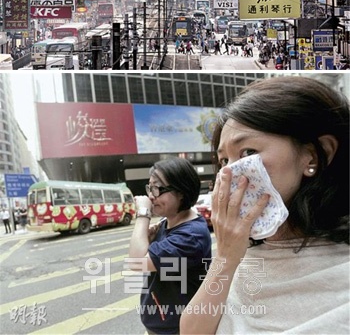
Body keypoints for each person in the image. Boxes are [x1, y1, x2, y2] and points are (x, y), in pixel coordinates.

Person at [181, 75, 349, 334]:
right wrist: (225, 257)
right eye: (224, 160)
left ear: (315, 154)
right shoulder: (243, 254)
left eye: (248, 153)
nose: (229, 173)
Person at [128, 157, 212, 335]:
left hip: (178, 328)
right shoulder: (168, 222)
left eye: (158, 188)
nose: (151, 195)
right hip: (161, 322)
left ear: (181, 192)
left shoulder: (191, 235)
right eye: (150, 187)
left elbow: (136, 263)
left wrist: (143, 214)